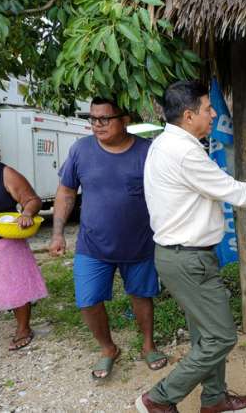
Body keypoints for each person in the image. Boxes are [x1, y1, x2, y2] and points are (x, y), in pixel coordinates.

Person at [137, 81, 246, 413]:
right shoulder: (184, 152)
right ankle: (160, 398)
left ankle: (214, 398)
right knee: (221, 337)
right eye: (208, 109)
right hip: (187, 258)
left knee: (205, 336)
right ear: (189, 114)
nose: (214, 114)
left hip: (183, 255)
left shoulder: (164, 143)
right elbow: (236, 193)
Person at [49, 97, 167, 380]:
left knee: (142, 296)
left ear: (125, 121)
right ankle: (108, 349)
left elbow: (165, 195)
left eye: (104, 119)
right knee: (87, 300)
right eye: (93, 119)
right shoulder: (80, 150)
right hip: (92, 245)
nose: (97, 125)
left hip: (139, 244)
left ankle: (148, 345)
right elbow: (66, 192)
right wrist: (57, 233)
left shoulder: (147, 152)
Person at [0, 146, 47, 351]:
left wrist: (27, 213)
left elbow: (32, 200)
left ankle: (23, 328)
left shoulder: (4, 173)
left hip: (5, 240)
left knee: (16, 288)